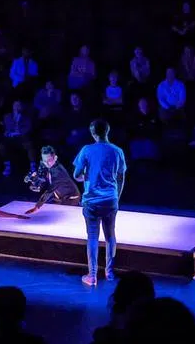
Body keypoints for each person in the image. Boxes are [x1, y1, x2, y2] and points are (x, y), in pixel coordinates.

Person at [73, 119, 127, 286]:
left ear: (93, 133)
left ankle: (92, 275)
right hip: (111, 199)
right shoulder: (117, 151)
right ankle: (109, 273)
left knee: (92, 237)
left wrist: (87, 176)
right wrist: (117, 197)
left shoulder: (87, 150)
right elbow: (121, 177)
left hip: (92, 200)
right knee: (110, 236)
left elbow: (76, 175)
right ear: (107, 131)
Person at [25, 145, 81, 213]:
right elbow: (42, 178)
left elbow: (49, 191)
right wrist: (35, 179)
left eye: (49, 160)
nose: (47, 163)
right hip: (59, 196)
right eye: (44, 161)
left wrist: (37, 206)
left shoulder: (58, 172)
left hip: (71, 198)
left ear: (55, 158)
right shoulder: (46, 164)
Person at [0, 100, 36, 177]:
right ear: (12, 106)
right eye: (15, 105)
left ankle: (33, 166)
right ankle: (7, 166)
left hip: (22, 137)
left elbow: (28, 128)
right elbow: (7, 128)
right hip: (10, 137)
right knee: (2, 146)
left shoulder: (27, 117)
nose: (17, 107)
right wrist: (8, 132)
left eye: (19, 105)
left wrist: (17, 132)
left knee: (29, 144)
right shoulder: (7, 116)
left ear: (22, 107)